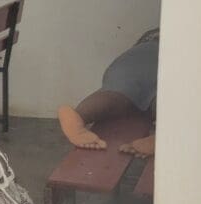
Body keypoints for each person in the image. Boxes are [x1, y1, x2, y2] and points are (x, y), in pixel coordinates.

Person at [57, 28, 159, 157]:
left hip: (130, 62)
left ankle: (78, 115)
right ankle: (164, 136)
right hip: (168, 60)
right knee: (165, 98)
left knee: (115, 94)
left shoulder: (155, 32)